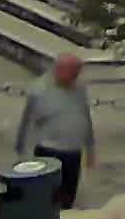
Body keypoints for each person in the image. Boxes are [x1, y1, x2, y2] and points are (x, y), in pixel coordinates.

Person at [14, 53, 95, 207]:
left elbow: (85, 117)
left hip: (73, 151)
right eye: (73, 73)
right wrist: (22, 154)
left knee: (68, 197)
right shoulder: (40, 90)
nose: (75, 77)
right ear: (59, 70)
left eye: (77, 73)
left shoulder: (79, 88)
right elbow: (27, 123)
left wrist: (90, 148)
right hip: (49, 151)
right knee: (47, 197)